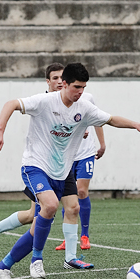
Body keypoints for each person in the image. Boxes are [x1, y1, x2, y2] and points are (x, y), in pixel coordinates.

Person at [0, 62, 140, 279]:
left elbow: (110, 119)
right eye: (76, 86)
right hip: (35, 166)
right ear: (64, 84)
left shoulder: (84, 107)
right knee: (48, 206)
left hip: (61, 172)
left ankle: (3, 266)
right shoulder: (45, 102)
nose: (80, 91)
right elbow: (11, 104)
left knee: (44, 221)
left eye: (84, 87)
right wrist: (0, 130)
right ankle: (37, 259)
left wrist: (135, 124)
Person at [0, 62, 104, 269]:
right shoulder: (43, 102)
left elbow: (96, 119)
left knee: (72, 207)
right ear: (49, 82)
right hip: (43, 167)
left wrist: (91, 136)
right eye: (54, 78)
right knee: (35, 216)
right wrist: (0, 130)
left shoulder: (81, 100)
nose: (58, 81)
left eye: (60, 78)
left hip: (64, 166)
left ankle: (70, 257)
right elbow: (15, 106)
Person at [54, 93, 106, 252]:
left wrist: (102, 144)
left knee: (81, 191)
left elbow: (98, 120)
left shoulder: (88, 98)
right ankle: (67, 237)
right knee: (66, 194)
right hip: (66, 154)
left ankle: (84, 235)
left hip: (86, 153)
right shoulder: (55, 100)